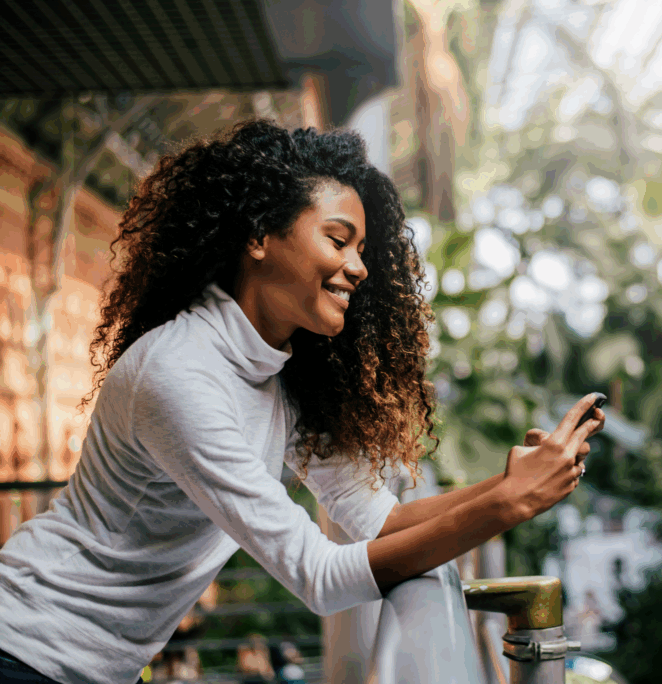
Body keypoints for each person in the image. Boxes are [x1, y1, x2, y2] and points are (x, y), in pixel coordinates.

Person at [0, 120, 604, 684]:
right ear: (259, 235)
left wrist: (505, 486)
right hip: (28, 646)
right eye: (338, 239)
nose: (359, 267)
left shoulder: (276, 373)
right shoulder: (180, 373)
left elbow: (380, 520)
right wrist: (502, 507)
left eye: (363, 248)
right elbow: (318, 575)